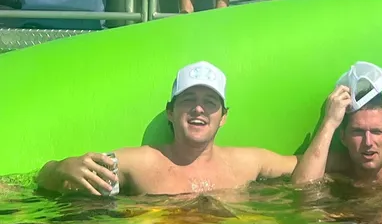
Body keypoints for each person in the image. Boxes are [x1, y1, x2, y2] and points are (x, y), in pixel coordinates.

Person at [38, 61, 297, 196]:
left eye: (209, 103)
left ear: (223, 117)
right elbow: (45, 176)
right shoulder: (140, 163)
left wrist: (331, 122)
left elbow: (308, 167)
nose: (199, 109)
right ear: (170, 112)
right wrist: (61, 168)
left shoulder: (248, 163)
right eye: (188, 101)